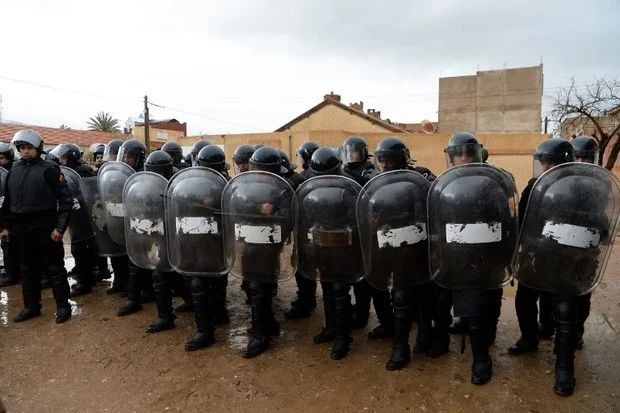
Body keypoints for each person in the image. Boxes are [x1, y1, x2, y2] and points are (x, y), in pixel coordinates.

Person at [369, 137, 446, 370]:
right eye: (381, 160)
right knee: (401, 298)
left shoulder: (420, 178)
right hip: (394, 249)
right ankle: (401, 349)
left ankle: (425, 337)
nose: (385, 165)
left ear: (401, 159)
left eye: (389, 160)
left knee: (425, 298)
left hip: (420, 249)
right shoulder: (375, 184)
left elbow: (433, 208)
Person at [0, 130, 73, 323]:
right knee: (27, 268)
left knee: (54, 268)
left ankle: (63, 306)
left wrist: (60, 228)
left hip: (44, 225)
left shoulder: (50, 169)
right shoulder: (14, 170)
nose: (25, 151)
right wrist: (5, 227)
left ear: (38, 148)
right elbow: (8, 202)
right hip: (21, 228)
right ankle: (31, 306)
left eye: (29, 148)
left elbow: (66, 200)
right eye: (22, 148)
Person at [300, 147, 362, 359]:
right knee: (326, 286)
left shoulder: (350, 185)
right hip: (321, 246)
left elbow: (357, 218)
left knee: (339, 289)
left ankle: (343, 337)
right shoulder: (310, 186)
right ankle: (331, 328)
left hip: (343, 247)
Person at [339, 136, 379, 330]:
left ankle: (363, 314)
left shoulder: (369, 170)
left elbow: (372, 190)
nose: (352, 156)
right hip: (350, 228)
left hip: (366, 229)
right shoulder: (343, 170)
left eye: (356, 151)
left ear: (364, 152)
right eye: (349, 152)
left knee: (366, 277)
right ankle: (356, 309)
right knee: (351, 273)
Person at [570, 136, 601, 348]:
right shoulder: (564, 181)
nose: (581, 162)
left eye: (586, 158)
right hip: (563, 246)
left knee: (582, 293)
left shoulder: (600, 183)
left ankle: (577, 331)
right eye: (577, 157)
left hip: (586, 248)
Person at [0, 142, 20, 287]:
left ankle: (13, 274)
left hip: (15, 217)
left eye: (1, 158)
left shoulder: (16, 171)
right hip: (4, 216)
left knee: (12, 246)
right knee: (6, 245)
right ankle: (10, 272)